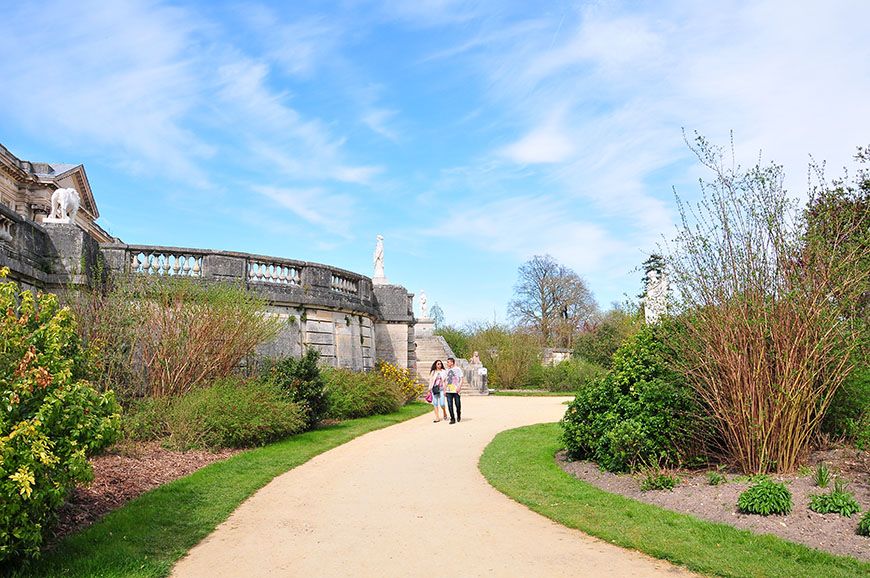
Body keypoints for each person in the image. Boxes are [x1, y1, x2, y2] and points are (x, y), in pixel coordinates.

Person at [444, 357, 463, 424]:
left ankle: (458, 414)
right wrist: (444, 390)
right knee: (449, 405)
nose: (447, 363)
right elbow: (445, 381)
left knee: (457, 404)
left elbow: (461, 379)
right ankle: (452, 418)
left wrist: (459, 387)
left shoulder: (458, 369)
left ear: (452, 362)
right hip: (448, 390)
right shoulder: (447, 370)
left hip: (456, 390)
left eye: (448, 362)